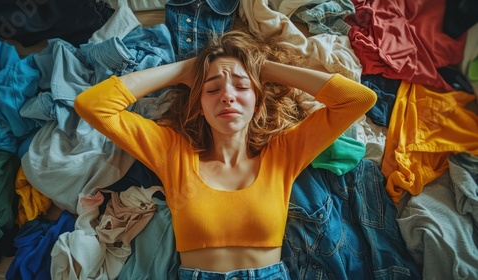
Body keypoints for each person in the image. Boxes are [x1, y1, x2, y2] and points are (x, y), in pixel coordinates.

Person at [74, 29, 377, 279]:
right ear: (200, 105)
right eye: (212, 89)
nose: (228, 95)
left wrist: (263, 68)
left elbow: (357, 99)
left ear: (257, 101)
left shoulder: (284, 152)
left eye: (242, 87)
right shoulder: (172, 152)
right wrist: (184, 70)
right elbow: (93, 104)